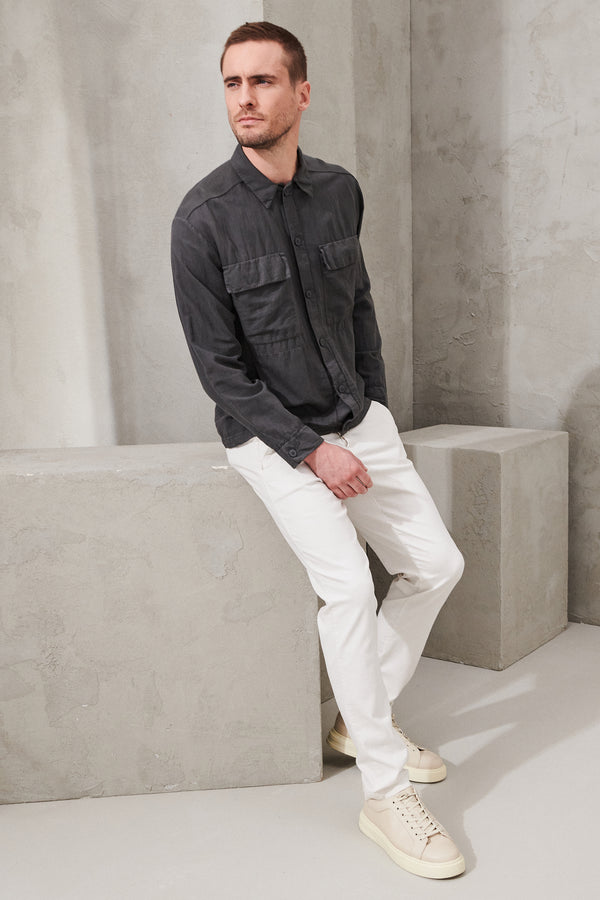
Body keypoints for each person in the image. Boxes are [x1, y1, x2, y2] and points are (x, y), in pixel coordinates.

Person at [171, 21, 466, 880]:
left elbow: (359, 303)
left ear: (301, 93)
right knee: (346, 590)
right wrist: (311, 450)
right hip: (271, 440)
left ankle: (359, 722)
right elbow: (220, 372)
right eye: (232, 83)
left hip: (355, 415)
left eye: (262, 82)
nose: (245, 99)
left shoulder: (339, 190)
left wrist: (372, 406)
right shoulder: (201, 221)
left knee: (436, 565)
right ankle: (384, 791)